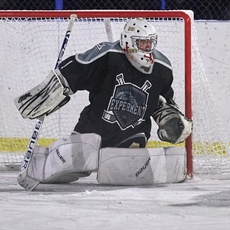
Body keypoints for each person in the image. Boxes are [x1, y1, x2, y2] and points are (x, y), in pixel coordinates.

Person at [15, 18, 192, 187]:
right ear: (128, 42)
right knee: (67, 166)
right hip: (93, 130)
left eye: (150, 43)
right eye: (142, 43)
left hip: (133, 137)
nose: (147, 48)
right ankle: (42, 160)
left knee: (128, 170)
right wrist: (56, 86)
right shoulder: (108, 55)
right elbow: (77, 68)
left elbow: (162, 100)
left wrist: (171, 119)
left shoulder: (162, 67)